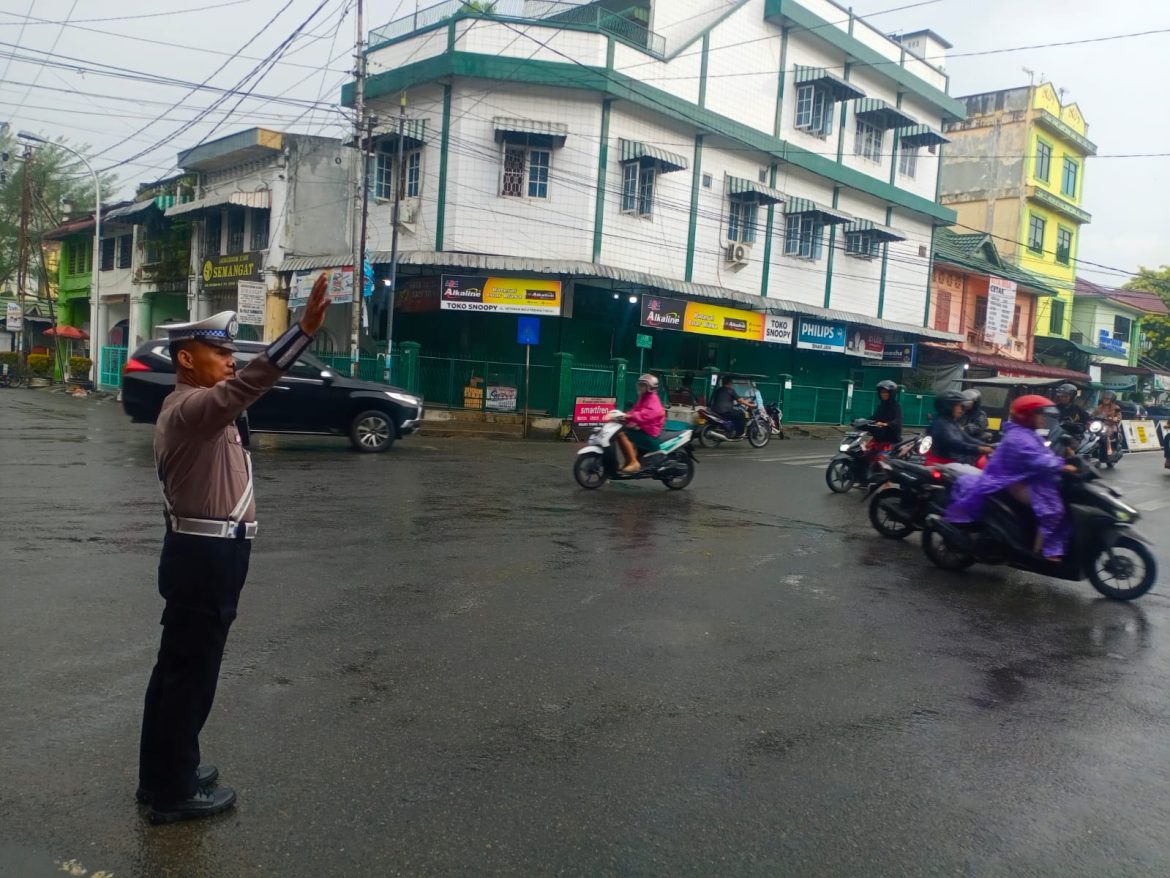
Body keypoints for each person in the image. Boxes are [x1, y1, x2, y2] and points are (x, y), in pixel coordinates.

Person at [137, 274, 332, 825]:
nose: (228, 360)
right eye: (217, 351)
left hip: (210, 556)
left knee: (180, 670)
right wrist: (302, 333)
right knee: (189, 674)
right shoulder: (188, 410)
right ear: (185, 361)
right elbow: (247, 386)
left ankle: (166, 772)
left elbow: (239, 396)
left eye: (230, 351)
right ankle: (172, 792)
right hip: (203, 558)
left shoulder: (203, 410)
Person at [945, 395, 1077, 561]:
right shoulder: (1018, 437)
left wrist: (1065, 457)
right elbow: (1037, 459)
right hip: (1012, 481)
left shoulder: (1028, 433)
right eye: (1038, 414)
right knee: (1053, 508)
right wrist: (1062, 466)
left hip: (1026, 478)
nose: (1043, 418)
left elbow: (1044, 454)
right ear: (1026, 416)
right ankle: (1045, 551)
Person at [926, 390, 993, 466]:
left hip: (955, 459)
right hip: (943, 463)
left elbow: (966, 437)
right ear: (949, 406)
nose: (962, 409)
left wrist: (986, 446)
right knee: (975, 476)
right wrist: (979, 449)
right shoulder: (941, 424)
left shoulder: (951, 421)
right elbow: (955, 444)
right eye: (959, 406)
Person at [615, 373, 666, 473]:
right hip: (643, 428)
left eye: (643, 385)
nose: (640, 387)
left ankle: (634, 462)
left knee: (623, 435)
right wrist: (625, 416)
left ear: (650, 387)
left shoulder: (653, 398)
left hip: (650, 432)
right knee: (620, 433)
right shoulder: (644, 398)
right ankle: (628, 461)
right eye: (640, 385)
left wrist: (632, 416)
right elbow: (635, 410)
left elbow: (647, 414)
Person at [869, 379, 903, 445]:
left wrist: (886, 424)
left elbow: (898, 420)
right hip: (879, 437)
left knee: (882, 455)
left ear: (891, 393)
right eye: (882, 392)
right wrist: (862, 421)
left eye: (885, 392)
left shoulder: (896, 406)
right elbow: (874, 417)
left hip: (891, 438)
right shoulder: (881, 405)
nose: (883, 394)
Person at [1093, 391, 1123, 458]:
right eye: (1104, 398)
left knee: (1105, 433)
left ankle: (1109, 448)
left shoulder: (1116, 408)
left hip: (1111, 425)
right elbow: (1093, 414)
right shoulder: (1099, 407)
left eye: (1107, 399)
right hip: (1099, 425)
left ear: (1112, 400)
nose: (1105, 400)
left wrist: (1113, 418)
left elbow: (1118, 417)